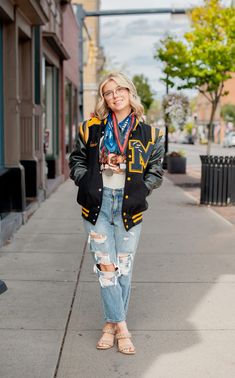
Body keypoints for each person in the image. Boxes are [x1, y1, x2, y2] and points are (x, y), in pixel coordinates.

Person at [69, 72, 164, 355]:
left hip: (129, 207)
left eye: (119, 89)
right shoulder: (90, 129)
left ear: (129, 92)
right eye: (108, 92)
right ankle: (122, 326)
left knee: (124, 269)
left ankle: (109, 325)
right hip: (97, 205)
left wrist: (140, 192)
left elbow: (156, 170)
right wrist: (84, 182)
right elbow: (76, 160)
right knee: (106, 269)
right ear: (104, 98)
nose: (114, 96)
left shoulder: (151, 133)